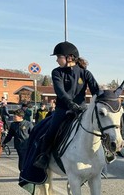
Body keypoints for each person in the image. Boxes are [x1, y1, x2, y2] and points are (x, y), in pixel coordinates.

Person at [34, 41, 100, 169]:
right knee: (51, 132)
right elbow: (60, 91)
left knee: (97, 129)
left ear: (69, 57)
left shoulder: (85, 73)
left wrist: (105, 97)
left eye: (59, 57)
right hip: (63, 109)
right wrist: (70, 104)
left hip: (81, 110)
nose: (57, 60)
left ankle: (103, 157)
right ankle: (44, 156)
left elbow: (96, 91)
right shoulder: (57, 72)